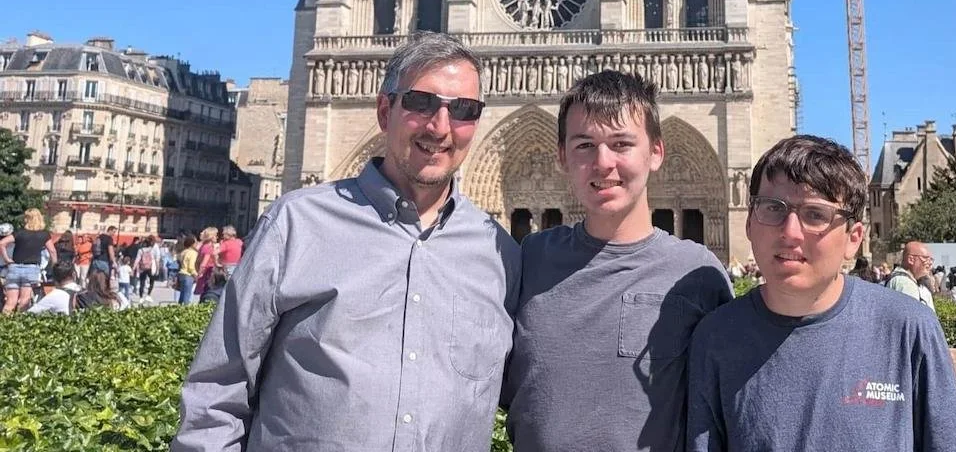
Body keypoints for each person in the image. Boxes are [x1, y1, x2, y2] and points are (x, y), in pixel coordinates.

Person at [174, 32, 521, 452]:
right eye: (420, 102)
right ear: (383, 110)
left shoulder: (499, 253)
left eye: (463, 109)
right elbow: (216, 394)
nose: (440, 126)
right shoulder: (296, 224)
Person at [687, 135, 956, 452]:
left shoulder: (909, 329)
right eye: (773, 208)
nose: (790, 232)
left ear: (854, 238)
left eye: (815, 214)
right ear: (749, 224)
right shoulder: (715, 339)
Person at [502, 70, 731, 452]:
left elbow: (724, 403)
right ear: (561, 156)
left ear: (656, 152)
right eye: (584, 145)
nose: (603, 163)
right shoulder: (529, 259)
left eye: (621, 143)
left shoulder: (699, 274)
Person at [1, 209, 58, 314]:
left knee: (10, 302)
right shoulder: (44, 234)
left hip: (14, 267)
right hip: (31, 268)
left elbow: (2, 243)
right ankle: (19, 326)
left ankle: (4, 325)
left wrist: (7, 259)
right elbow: (52, 251)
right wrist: (54, 265)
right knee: (24, 301)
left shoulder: (19, 233)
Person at [886, 241, 936, 311]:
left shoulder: (906, 280)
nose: (930, 263)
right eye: (925, 258)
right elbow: (912, 317)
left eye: (931, 259)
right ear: (911, 259)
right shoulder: (905, 283)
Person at [176, 234, 199, 305]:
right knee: (187, 295)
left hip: (181, 273)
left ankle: (179, 308)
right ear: (192, 244)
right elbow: (191, 266)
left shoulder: (183, 252)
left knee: (182, 294)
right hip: (188, 275)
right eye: (196, 242)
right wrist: (195, 275)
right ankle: (185, 310)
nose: (197, 243)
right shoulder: (193, 253)